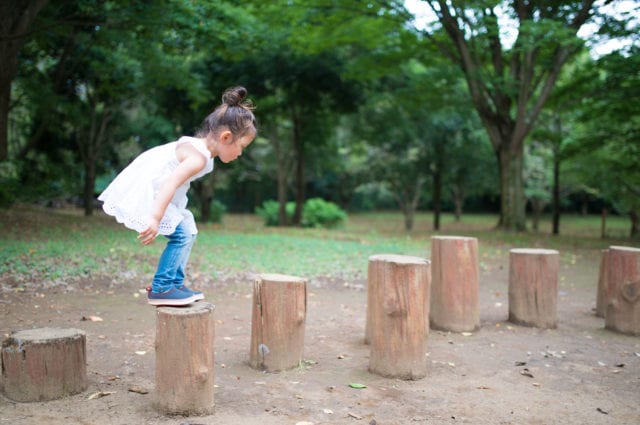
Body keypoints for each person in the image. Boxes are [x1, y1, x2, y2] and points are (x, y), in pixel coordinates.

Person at [98, 86, 257, 306]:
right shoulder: (198, 157)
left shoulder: (202, 154)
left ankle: (175, 283)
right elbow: (169, 183)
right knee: (181, 235)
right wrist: (154, 218)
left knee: (188, 230)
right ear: (226, 137)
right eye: (241, 147)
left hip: (162, 194)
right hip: (154, 194)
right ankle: (162, 287)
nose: (240, 154)